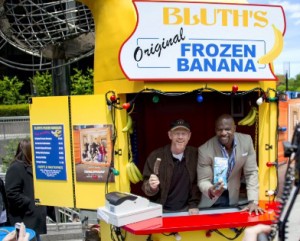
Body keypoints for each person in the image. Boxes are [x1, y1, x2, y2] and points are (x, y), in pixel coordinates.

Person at [197, 114, 264, 215]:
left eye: (227, 129)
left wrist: (253, 201)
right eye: (220, 129)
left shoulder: (246, 141)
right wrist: (210, 189)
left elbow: (251, 173)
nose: (223, 133)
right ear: (215, 130)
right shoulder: (205, 150)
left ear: (234, 128)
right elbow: (203, 180)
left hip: (232, 198)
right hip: (211, 202)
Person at [142, 119, 200, 214]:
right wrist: (152, 187)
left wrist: (193, 204)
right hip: (161, 210)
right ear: (170, 135)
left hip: (186, 211)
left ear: (189, 136)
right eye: (177, 133)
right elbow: (145, 186)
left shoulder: (195, 155)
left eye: (183, 133)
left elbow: (196, 183)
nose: (180, 137)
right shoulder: (156, 156)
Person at [5, 139, 47, 241]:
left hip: (33, 219)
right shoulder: (16, 168)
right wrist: (29, 202)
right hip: (24, 220)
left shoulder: (32, 167)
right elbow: (11, 193)